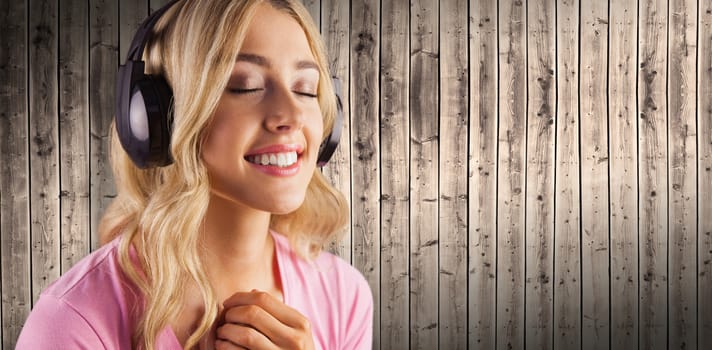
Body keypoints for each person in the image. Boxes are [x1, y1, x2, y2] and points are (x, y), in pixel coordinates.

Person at [16, 0, 373, 349]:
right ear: (159, 119)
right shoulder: (74, 321)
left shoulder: (344, 295)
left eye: (306, 89)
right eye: (245, 86)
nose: (292, 115)